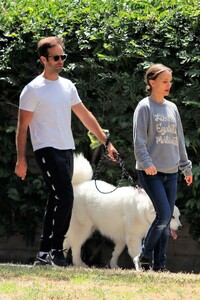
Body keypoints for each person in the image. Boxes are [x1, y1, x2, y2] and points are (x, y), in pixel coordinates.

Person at [15, 36, 117, 267]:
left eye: (63, 56)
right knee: (66, 196)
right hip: (46, 150)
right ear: (43, 59)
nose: (61, 60)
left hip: (66, 149)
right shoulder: (32, 90)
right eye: (56, 57)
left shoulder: (68, 86)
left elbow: (84, 115)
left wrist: (106, 142)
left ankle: (43, 253)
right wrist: (21, 159)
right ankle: (55, 250)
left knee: (56, 199)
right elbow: (22, 128)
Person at [132, 63, 193, 271]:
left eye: (170, 81)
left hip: (172, 172)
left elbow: (179, 140)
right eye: (164, 81)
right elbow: (139, 142)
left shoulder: (172, 108)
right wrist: (147, 163)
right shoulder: (144, 107)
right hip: (151, 173)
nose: (169, 85)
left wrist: (186, 167)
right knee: (165, 215)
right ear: (152, 82)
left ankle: (159, 265)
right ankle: (144, 255)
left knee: (165, 221)